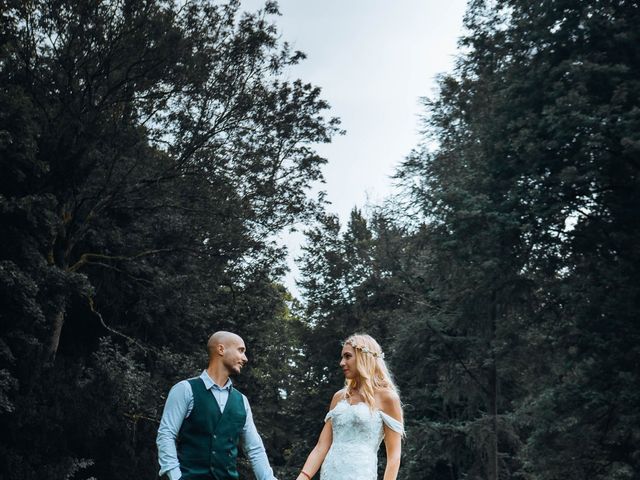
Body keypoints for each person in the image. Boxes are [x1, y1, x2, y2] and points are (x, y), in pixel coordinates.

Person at [156, 331, 277, 480]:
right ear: (221, 349)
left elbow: (255, 450)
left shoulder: (242, 401)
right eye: (241, 350)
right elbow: (166, 435)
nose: (245, 358)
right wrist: (176, 477)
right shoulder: (185, 389)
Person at [295, 333, 404, 480]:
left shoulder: (388, 398)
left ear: (363, 357)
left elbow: (394, 457)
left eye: (347, 356)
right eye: (342, 357)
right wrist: (303, 477)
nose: (341, 362)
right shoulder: (338, 397)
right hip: (329, 474)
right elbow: (321, 447)